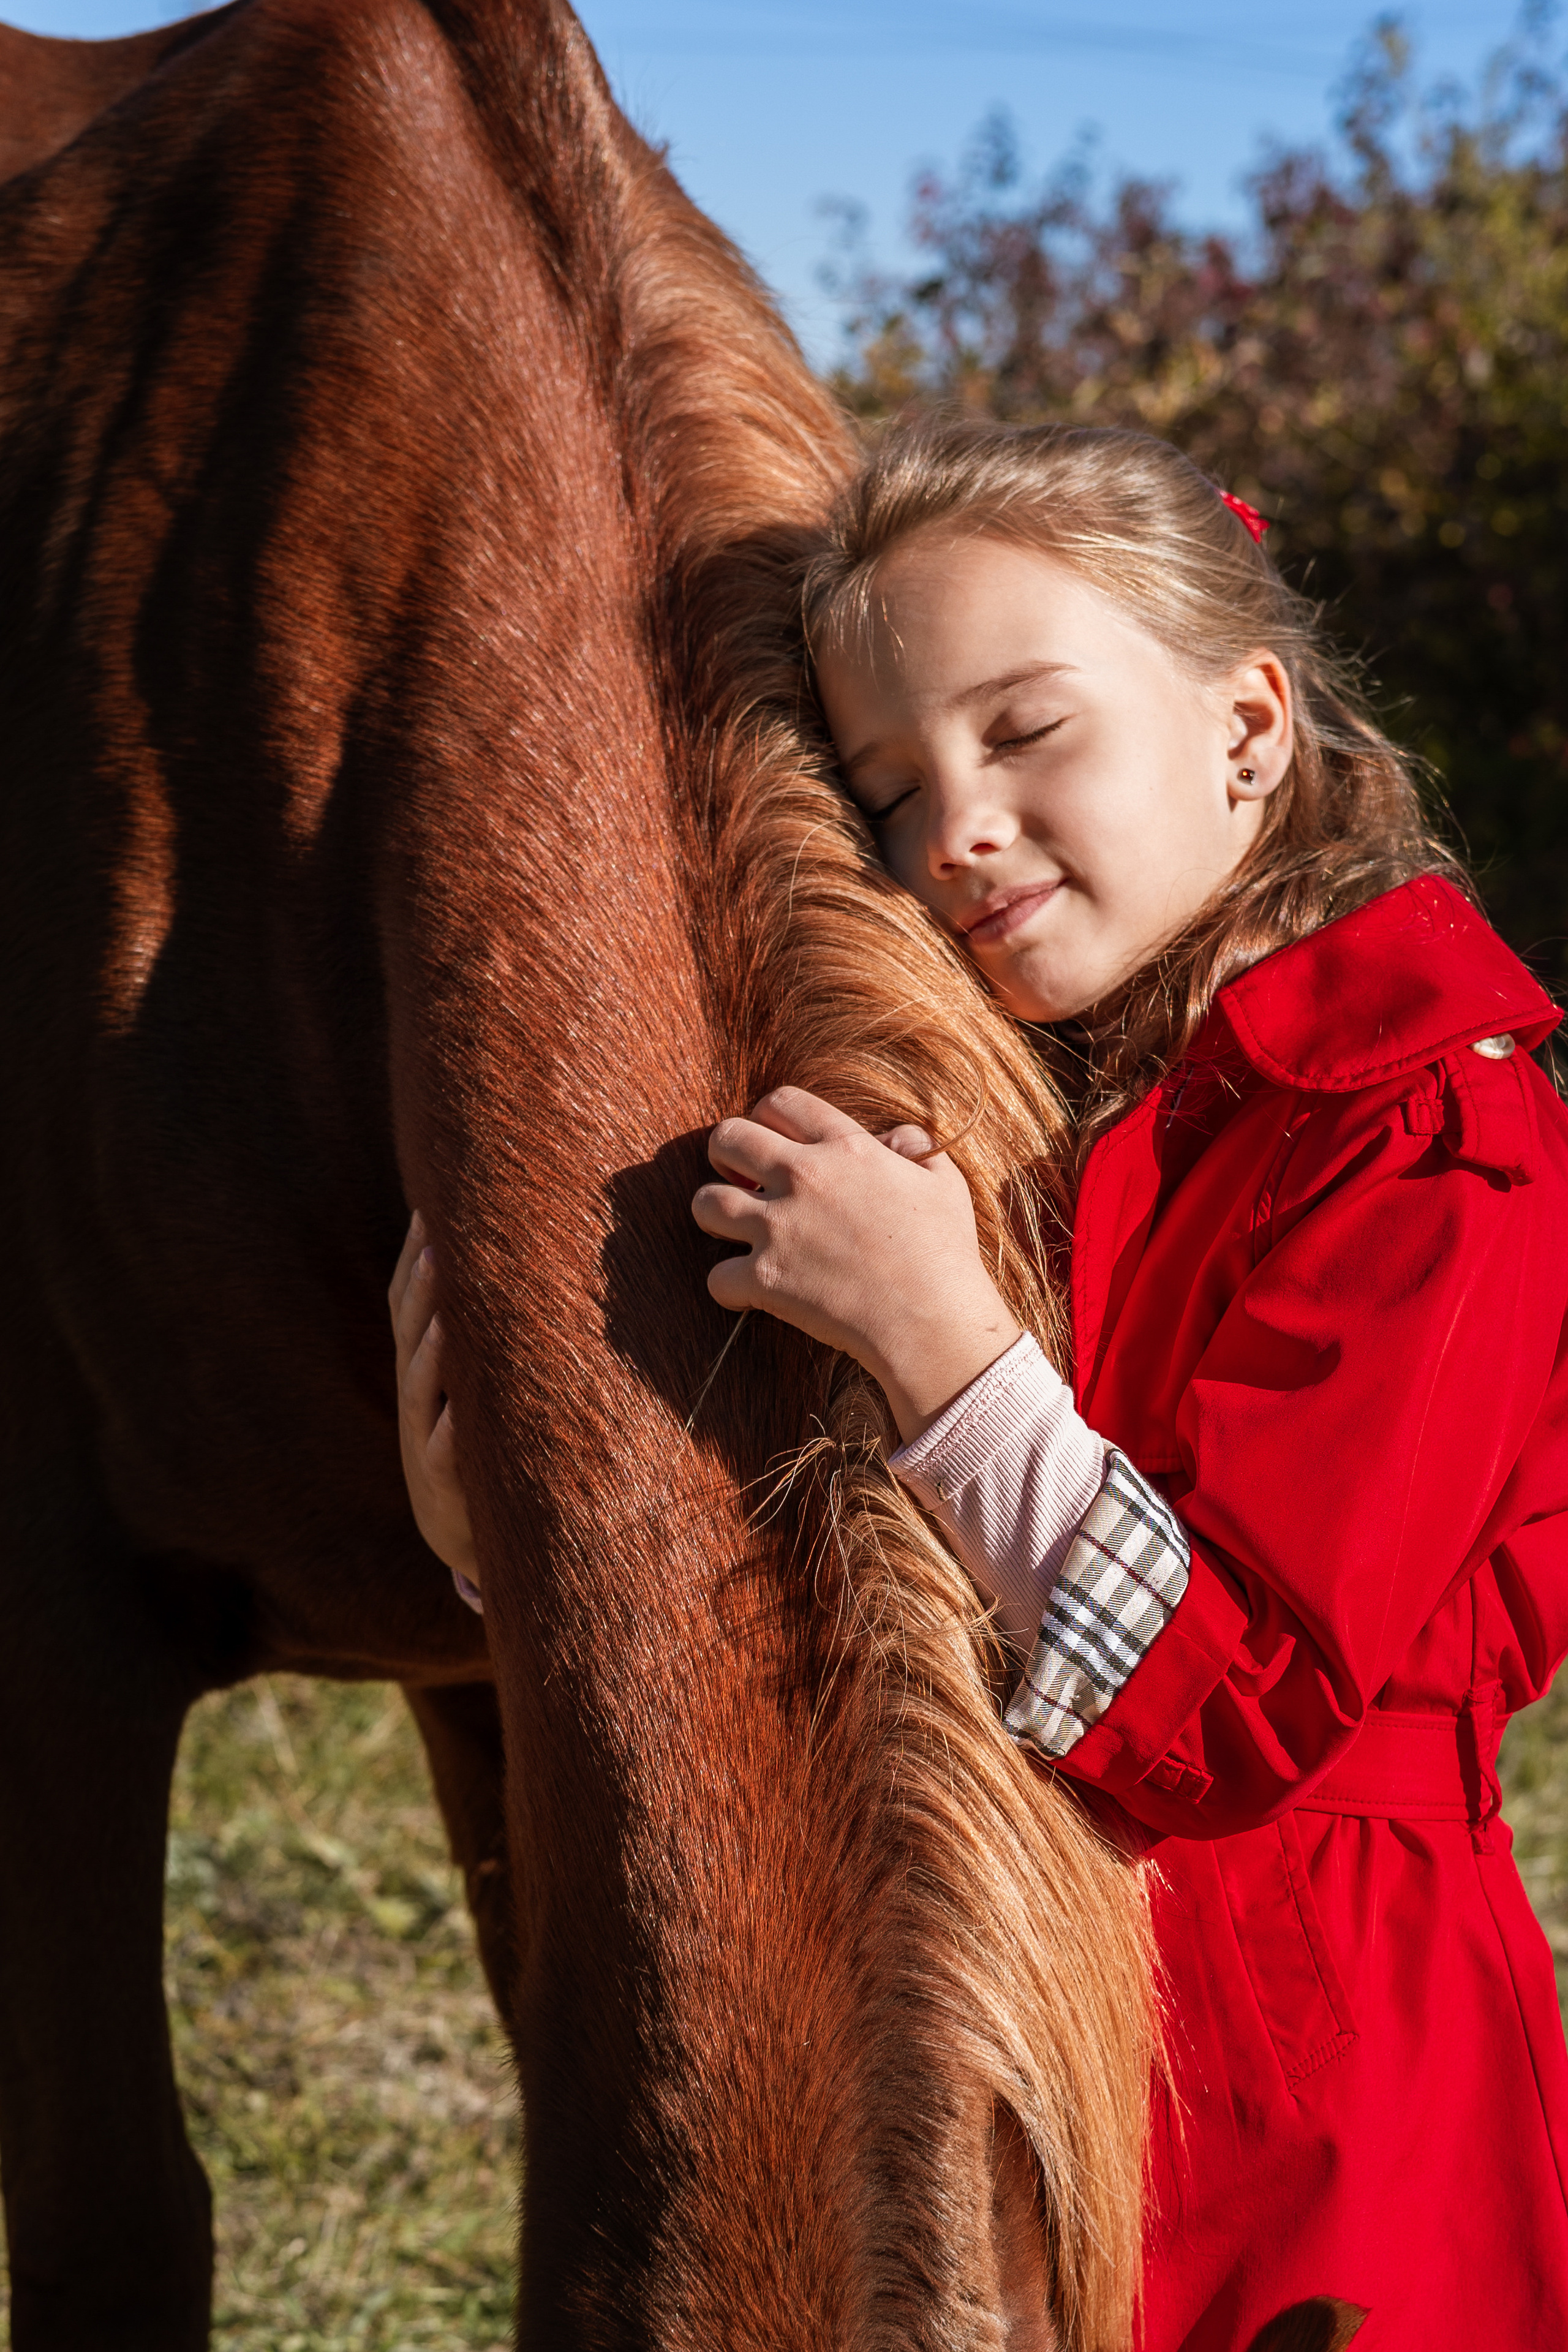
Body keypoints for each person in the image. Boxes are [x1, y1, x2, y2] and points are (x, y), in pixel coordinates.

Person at [390, 419, 1568, 2346]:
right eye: (889, 790)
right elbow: (853, 1587)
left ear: (1248, 728)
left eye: (1024, 730)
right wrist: (486, 1536)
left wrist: (943, 1341)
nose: (956, 829)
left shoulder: (1433, 1136)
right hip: (1010, 1996)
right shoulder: (1034, 1115)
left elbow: (1241, 1703)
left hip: (1317, 2074)